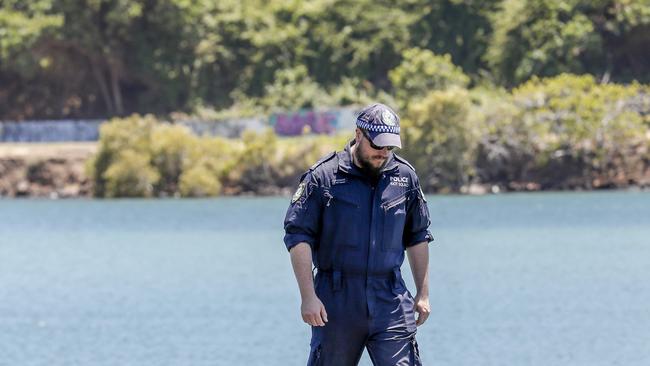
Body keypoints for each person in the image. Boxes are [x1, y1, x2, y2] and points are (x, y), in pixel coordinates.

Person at [283, 103, 433, 366]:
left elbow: (418, 236)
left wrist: (423, 293)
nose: (383, 153)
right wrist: (308, 297)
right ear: (359, 134)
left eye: (390, 147)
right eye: (377, 146)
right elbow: (298, 237)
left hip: (390, 298)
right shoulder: (323, 177)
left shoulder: (405, 178)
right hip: (336, 300)